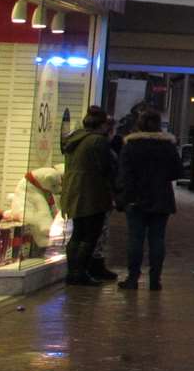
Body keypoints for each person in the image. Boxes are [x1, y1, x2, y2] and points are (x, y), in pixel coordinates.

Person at [115, 109, 183, 290]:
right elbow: (177, 172)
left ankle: (132, 278)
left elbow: (124, 174)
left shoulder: (131, 145)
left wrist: (123, 197)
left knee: (135, 239)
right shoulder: (167, 146)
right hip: (161, 197)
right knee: (157, 239)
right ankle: (155, 280)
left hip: (135, 198)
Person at [59, 108, 115, 287]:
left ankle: (73, 272)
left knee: (78, 233)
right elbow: (107, 168)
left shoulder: (75, 139)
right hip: (92, 192)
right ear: (102, 125)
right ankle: (80, 272)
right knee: (90, 234)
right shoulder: (98, 141)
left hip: (74, 190)